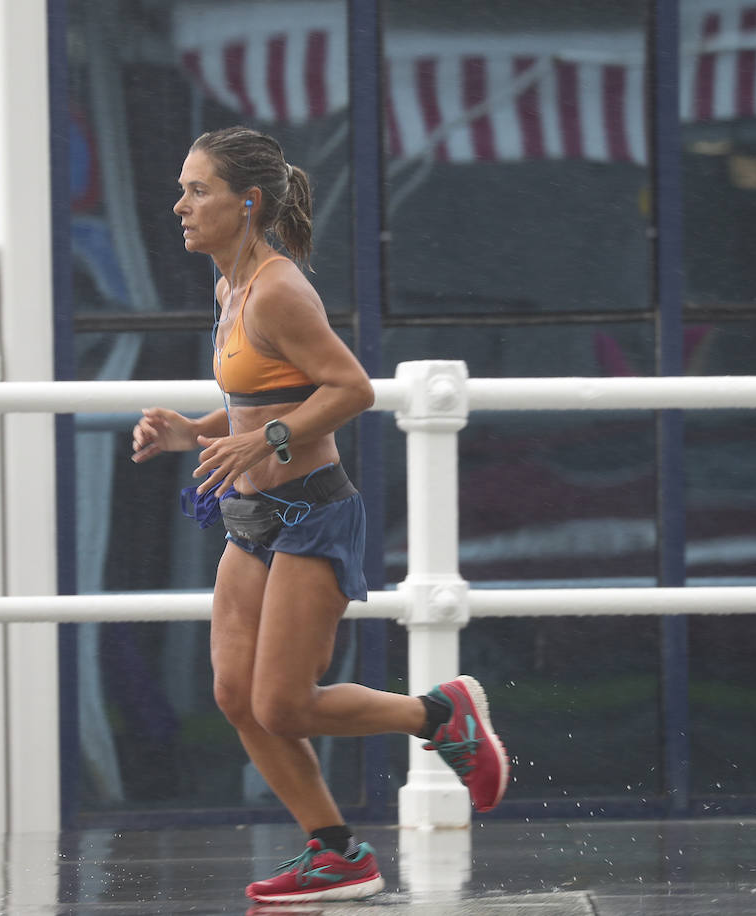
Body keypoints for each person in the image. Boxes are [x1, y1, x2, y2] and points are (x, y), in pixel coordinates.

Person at [131, 126, 510, 904]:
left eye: (198, 190)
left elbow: (351, 389)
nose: (181, 206)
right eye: (183, 188)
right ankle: (337, 852)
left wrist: (266, 439)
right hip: (250, 521)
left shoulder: (277, 288)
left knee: (284, 702)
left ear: (248, 202)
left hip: (309, 515)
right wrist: (193, 433)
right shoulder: (228, 284)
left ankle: (441, 714)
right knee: (236, 697)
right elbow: (261, 397)